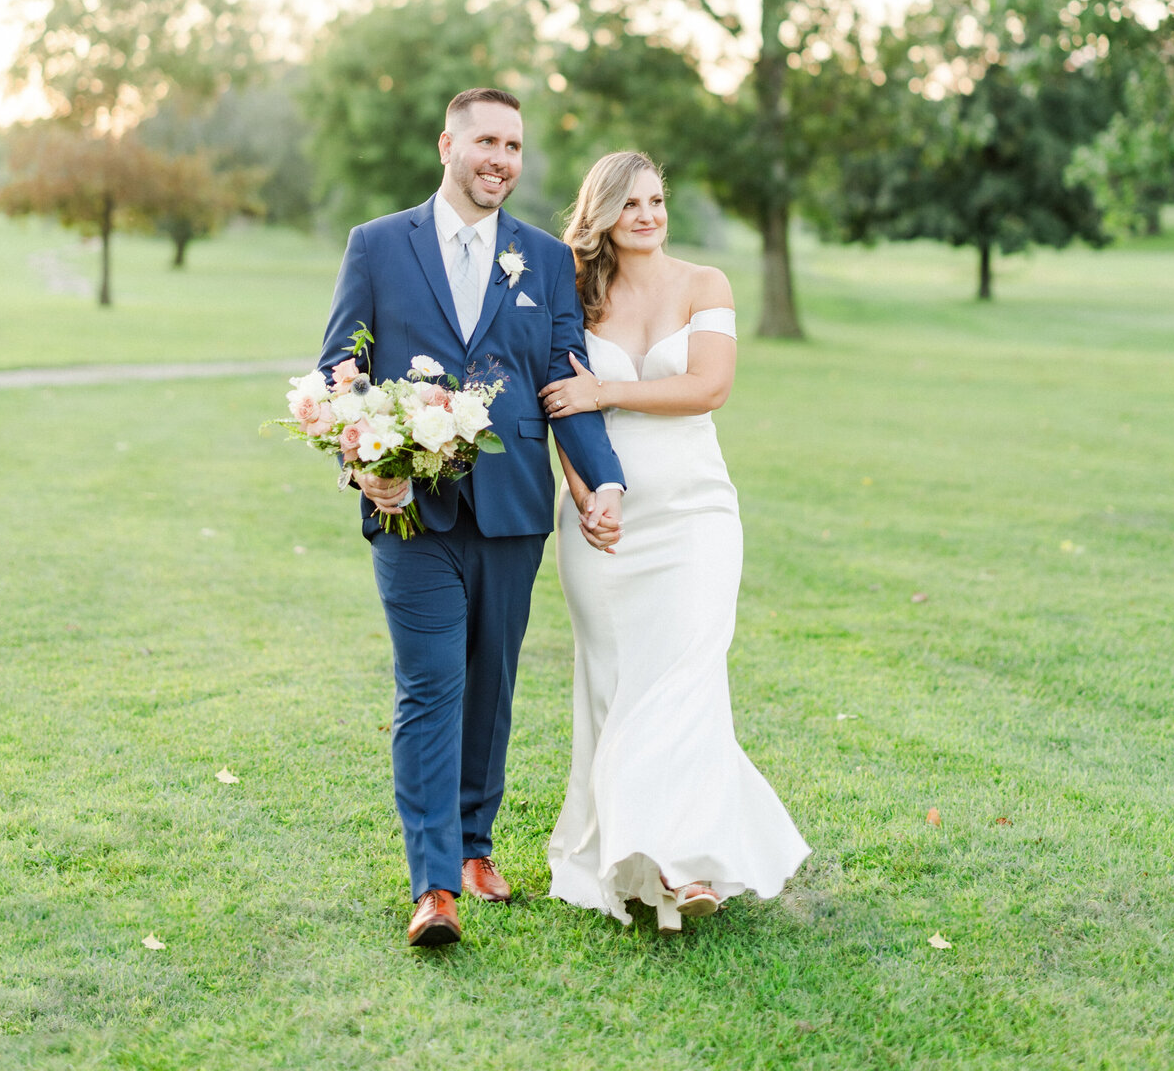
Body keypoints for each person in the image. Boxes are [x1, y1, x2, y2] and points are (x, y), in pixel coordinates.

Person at [318, 89, 625, 948]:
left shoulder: (546, 260)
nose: (501, 159)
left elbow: (566, 381)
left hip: (514, 505)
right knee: (429, 686)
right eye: (487, 141)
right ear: (447, 144)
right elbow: (343, 367)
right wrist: (366, 467)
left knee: (492, 681)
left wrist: (604, 482)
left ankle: (476, 844)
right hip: (410, 510)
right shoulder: (378, 245)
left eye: (514, 146)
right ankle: (434, 886)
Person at [540, 150, 810, 931]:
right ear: (601, 215)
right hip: (603, 520)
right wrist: (585, 496)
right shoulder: (574, 294)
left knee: (687, 674)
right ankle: (638, 855)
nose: (648, 216)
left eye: (656, 200)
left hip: (694, 512)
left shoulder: (705, 285)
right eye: (630, 204)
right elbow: (560, 403)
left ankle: (690, 862)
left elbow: (708, 386)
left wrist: (606, 388)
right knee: (615, 682)